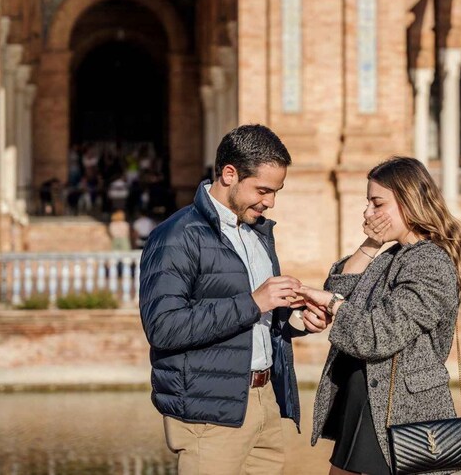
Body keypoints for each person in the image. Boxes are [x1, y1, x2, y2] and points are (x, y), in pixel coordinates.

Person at [138, 124, 329, 475]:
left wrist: (296, 320)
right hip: (208, 415)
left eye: (276, 191)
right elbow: (164, 328)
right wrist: (254, 302)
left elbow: (258, 318)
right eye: (262, 189)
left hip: (264, 402)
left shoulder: (257, 232)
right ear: (229, 174)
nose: (270, 201)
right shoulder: (176, 236)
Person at [294, 156, 461, 475]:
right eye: (368, 203)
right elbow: (340, 288)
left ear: (409, 202)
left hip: (401, 412)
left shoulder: (430, 263)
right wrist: (371, 242)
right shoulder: (389, 257)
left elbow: (382, 335)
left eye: (377, 203)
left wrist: (333, 305)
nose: (367, 213)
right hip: (365, 402)